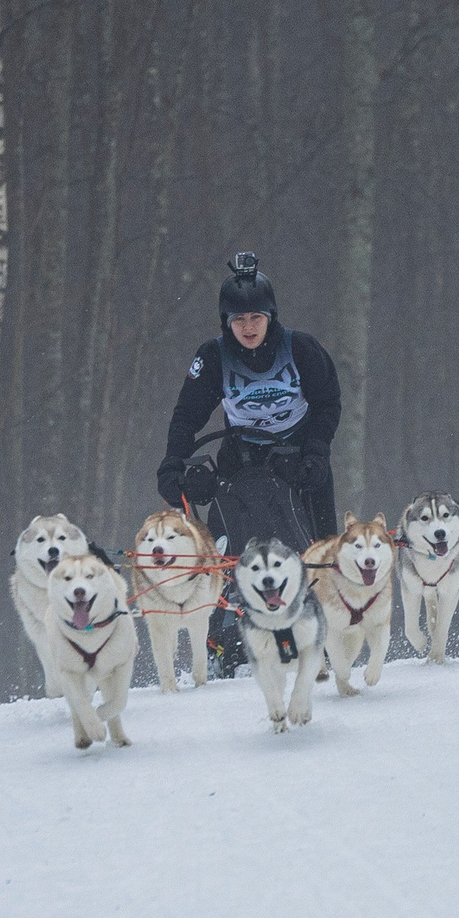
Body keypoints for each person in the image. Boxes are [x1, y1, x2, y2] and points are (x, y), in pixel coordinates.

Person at [156, 251, 342, 675]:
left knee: (317, 549)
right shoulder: (214, 357)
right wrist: (172, 463)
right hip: (241, 460)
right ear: (226, 322)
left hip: (300, 459)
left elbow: (328, 403)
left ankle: (322, 639)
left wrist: (317, 451)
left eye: (256, 317)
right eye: (238, 320)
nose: (248, 328)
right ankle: (227, 641)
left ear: (270, 315)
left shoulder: (302, 349)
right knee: (231, 552)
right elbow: (187, 416)